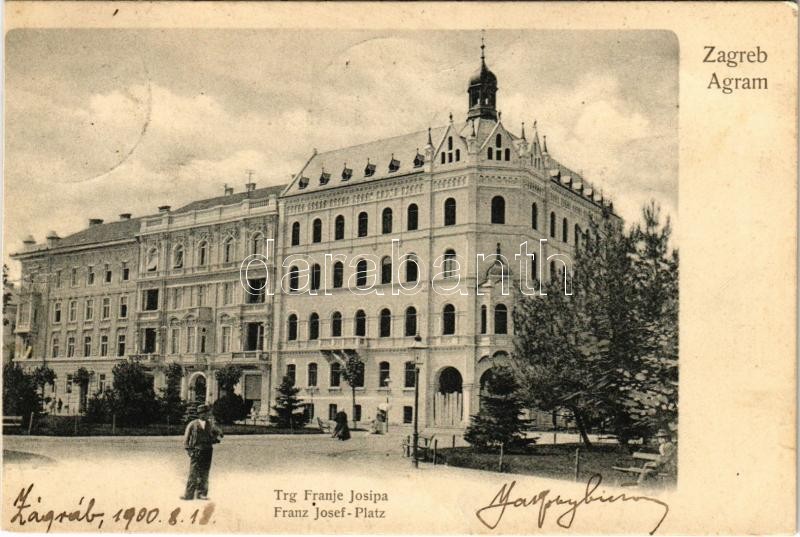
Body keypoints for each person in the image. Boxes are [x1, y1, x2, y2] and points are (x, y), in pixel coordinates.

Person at [181, 404, 223, 500]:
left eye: (207, 413)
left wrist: (217, 436)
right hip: (196, 450)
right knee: (193, 472)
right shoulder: (192, 424)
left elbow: (218, 434)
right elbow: (186, 439)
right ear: (200, 414)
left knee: (205, 472)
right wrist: (189, 450)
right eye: (204, 413)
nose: (207, 415)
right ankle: (188, 495)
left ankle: (201, 494)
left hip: (207, 450)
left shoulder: (210, 424)